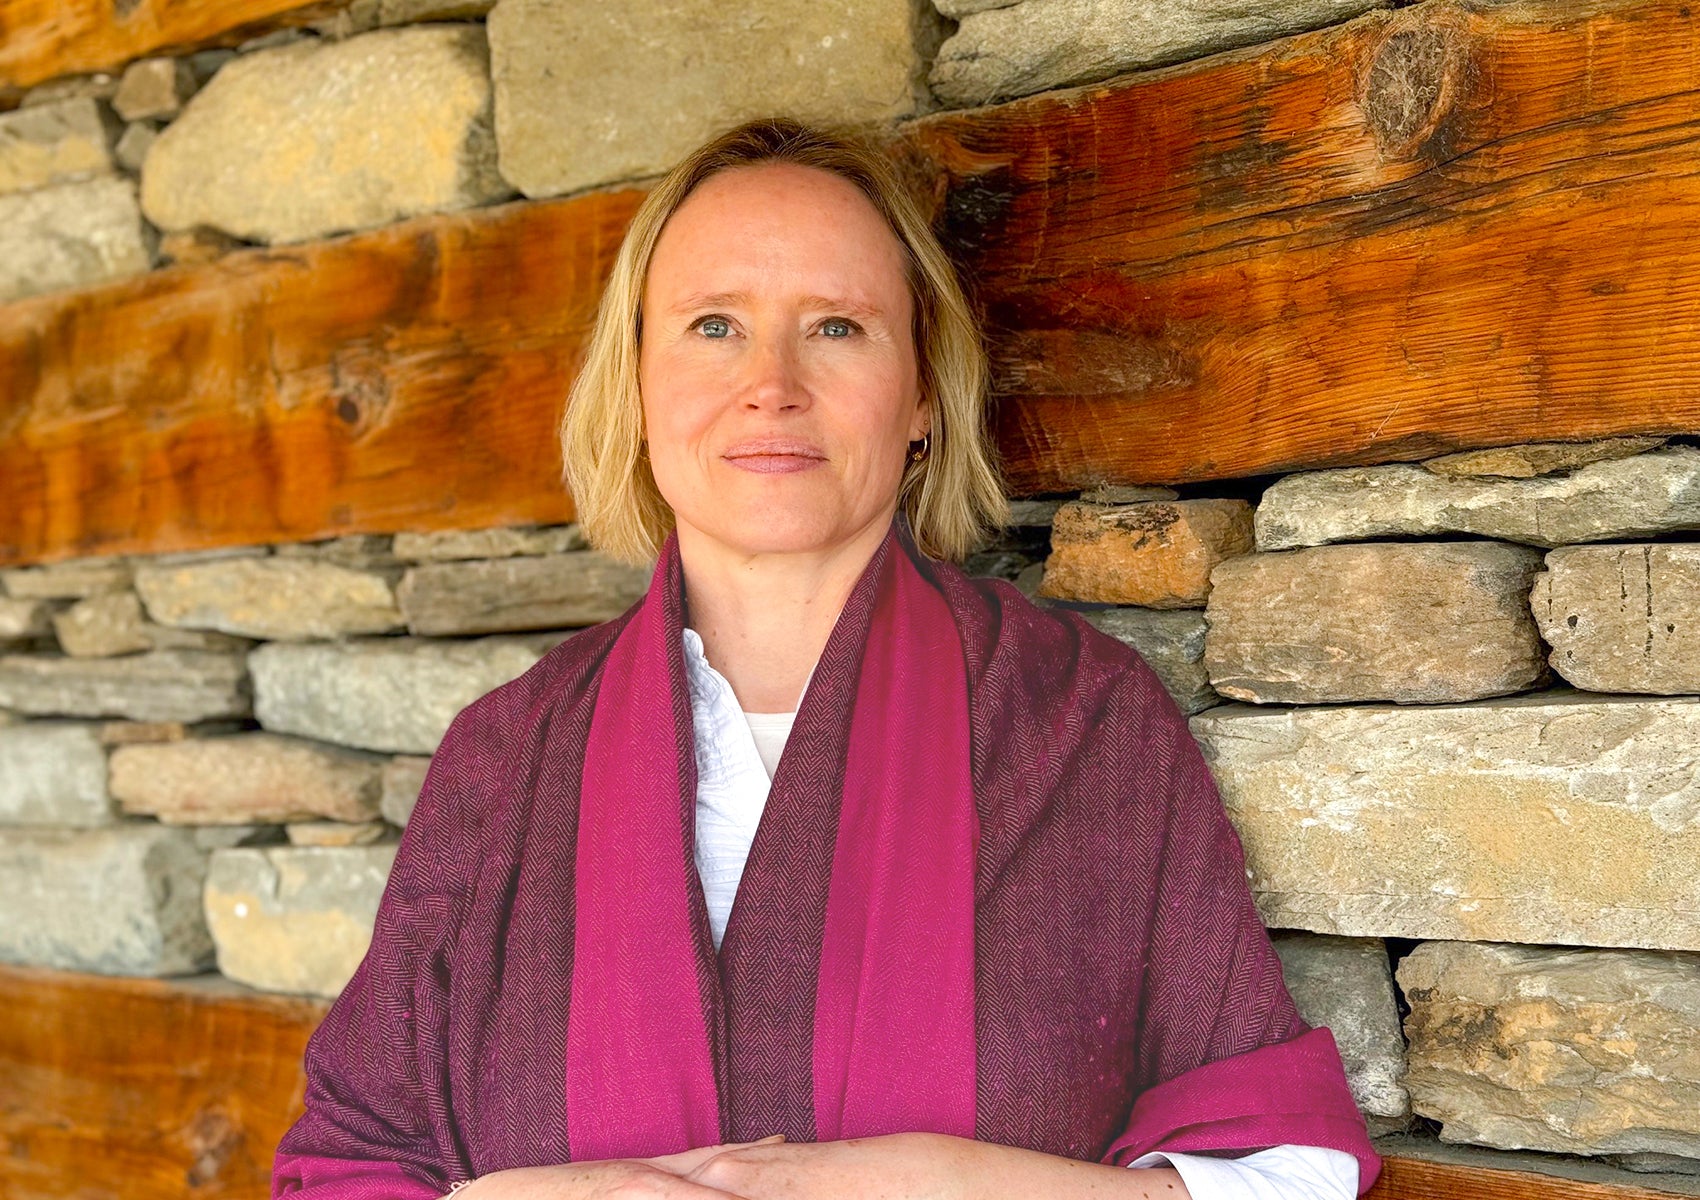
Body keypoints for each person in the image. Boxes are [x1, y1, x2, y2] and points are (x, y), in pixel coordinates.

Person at [271, 116, 1379, 1200]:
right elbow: (346, 1163)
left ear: (923, 400)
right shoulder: (505, 757)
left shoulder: (1078, 719)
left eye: (836, 328)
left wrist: (969, 1188)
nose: (771, 383)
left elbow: (1283, 1163)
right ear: (636, 387)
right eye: (712, 325)